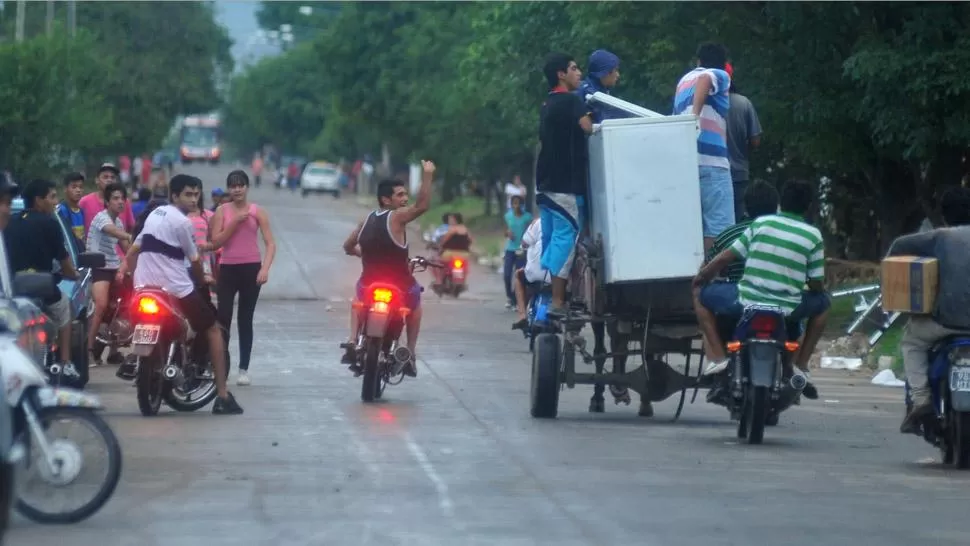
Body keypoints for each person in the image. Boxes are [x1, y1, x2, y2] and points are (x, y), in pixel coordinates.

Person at [115, 174, 243, 415]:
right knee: (213, 329)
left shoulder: (155, 215)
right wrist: (201, 277)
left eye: (196, 194)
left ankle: (136, 357)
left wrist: (136, 279)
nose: (193, 200)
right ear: (174, 195)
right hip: (176, 288)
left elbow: (132, 252)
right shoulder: (183, 223)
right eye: (188, 194)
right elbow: (195, 260)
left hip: (145, 288)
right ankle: (223, 395)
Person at [691, 179, 828, 399]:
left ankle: (718, 360)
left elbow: (726, 257)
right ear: (808, 206)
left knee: (701, 295)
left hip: (746, 300)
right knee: (824, 305)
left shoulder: (761, 224)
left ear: (781, 203)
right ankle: (801, 365)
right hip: (788, 307)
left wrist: (702, 277)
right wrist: (815, 288)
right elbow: (816, 282)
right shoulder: (813, 236)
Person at [341, 161, 436, 376]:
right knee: (416, 306)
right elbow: (422, 206)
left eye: (405, 195)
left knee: (357, 302)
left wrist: (363, 254)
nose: (405, 199)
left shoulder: (366, 220)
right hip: (399, 286)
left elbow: (348, 246)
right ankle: (410, 353)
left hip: (369, 282)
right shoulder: (397, 217)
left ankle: (352, 340)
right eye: (400, 195)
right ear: (386, 200)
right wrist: (428, 175)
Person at [890, 187, 970, 434]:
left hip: (944, 322)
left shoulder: (938, 238)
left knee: (912, 341)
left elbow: (897, 247)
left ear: (944, 215)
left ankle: (922, 399)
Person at [3, 179, 80, 381]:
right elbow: (65, 264)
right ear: (39, 200)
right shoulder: (50, 223)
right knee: (65, 310)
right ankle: (65, 363)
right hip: (44, 290)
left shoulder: (10, 223)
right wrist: (74, 274)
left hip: (14, 291)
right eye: (52, 197)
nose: (56, 202)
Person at [535, 52, 594, 316]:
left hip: (545, 183)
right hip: (564, 186)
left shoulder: (548, 103)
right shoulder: (571, 101)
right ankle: (558, 301)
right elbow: (588, 128)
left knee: (551, 239)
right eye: (574, 68)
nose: (579, 73)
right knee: (565, 240)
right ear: (561, 74)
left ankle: (548, 295)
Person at [210, 171, 276, 386]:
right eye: (233, 186)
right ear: (228, 189)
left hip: (251, 269)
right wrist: (234, 223)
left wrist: (264, 269)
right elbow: (215, 242)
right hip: (227, 269)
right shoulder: (221, 211)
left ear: (247, 187)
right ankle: (222, 366)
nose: (237, 189)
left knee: (245, 319)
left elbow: (270, 244)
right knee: (224, 318)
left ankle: (243, 369)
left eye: (241, 185)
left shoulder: (257, 212)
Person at [673, 42, 734, 253]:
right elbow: (706, 79)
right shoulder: (718, 74)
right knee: (719, 227)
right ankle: (710, 278)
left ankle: (693, 277)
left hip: (687, 162)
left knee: (692, 226)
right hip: (713, 163)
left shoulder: (683, 81)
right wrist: (695, 117)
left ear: (698, 60)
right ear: (724, 64)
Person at [85, 183, 133, 366]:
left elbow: (128, 251)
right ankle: (88, 351)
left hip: (113, 267)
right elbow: (115, 233)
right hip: (98, 267)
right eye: (115, 198)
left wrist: (124, 268)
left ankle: (114, 350)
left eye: (122, 198)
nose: (120, 202)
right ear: (107, 202)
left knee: (123, 307)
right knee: (102, 306)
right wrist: (129, 236)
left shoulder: (119, 222)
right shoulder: (101, 218)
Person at [704, 180, 780, 284]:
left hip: (738, 296)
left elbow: (706, 269)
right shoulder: (787, 235)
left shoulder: (727, 235)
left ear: (746, 206)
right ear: (775, 207)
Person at [724, 63, 763, 221]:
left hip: (711, 173)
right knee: (738, 219)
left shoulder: (705, 103)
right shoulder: (744, 103)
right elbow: (755, 141)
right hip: (739, 173)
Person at [79, 163, 136, 236]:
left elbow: (131, 228)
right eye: (105, 177)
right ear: (97, 180)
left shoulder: (124, 202)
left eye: (112, 177)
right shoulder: (84, 202)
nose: (109, 180)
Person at [575, 49, 629, 123]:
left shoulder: (600, 90)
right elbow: (603, 121)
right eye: (615, 70)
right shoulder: (590, 94)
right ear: (605, 72)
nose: (618, 75)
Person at [511, 217, 544, 330]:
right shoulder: (566, 223)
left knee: (519, 276)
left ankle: (522, 315)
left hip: (537, 274)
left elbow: (524, 242)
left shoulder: (538, 222)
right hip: (559, 277)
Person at [503, 196, 533, 309]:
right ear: (511, 205)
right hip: (510, 248)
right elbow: (505, 231)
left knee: (519, 274)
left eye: (518, 203)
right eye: (514, 203)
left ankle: (515, 299)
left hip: (522, 249)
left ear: (522, 205)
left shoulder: (527, 217)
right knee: (507, 274)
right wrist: (507, 233)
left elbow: (532, 230)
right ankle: (509, 296)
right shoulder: (508, 216)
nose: (516, 206)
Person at [56, 172, 87, 253]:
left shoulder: (82, 211)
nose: (78, 190)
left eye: (81, 187)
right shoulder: (61, 210)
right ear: (65, 189)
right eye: (74, 187)